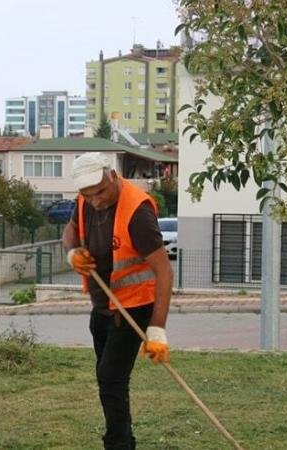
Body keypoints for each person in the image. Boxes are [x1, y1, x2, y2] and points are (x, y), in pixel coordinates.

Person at [62, 152, 174, 449]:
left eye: (100, 191)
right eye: (88, 195)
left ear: (112, 175)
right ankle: (120, 439)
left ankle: (119, 444)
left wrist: (157, 328)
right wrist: (72, 252)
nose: (96, 200)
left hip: (133, 307)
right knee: (109, 379)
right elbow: (70, 231)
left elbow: (164, 270)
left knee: (110, 377)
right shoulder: (85, 201)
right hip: (102, 306)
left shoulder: (137, 212)